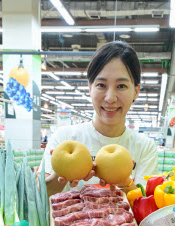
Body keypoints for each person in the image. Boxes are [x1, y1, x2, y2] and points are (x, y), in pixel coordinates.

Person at [44, 41, 159, 197]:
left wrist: (125, 181)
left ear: (136, 91)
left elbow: (146, 208)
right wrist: (61, 173)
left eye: (121, 86)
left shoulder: (145, 147)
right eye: (101, 85)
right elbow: (39, 199)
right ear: (90, 89)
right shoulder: (65, 138)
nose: (110, 98)